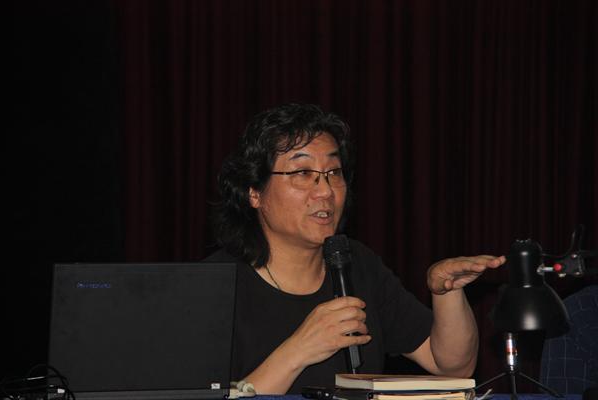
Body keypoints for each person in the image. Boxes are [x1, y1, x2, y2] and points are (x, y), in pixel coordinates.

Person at [204, 103, 506, 394]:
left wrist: (447, 293)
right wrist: (299, 350)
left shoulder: (357, 264)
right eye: (303, 173)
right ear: (254, 192)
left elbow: (452, 367)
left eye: (333, 173)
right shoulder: (213, 285)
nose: (325, 191)